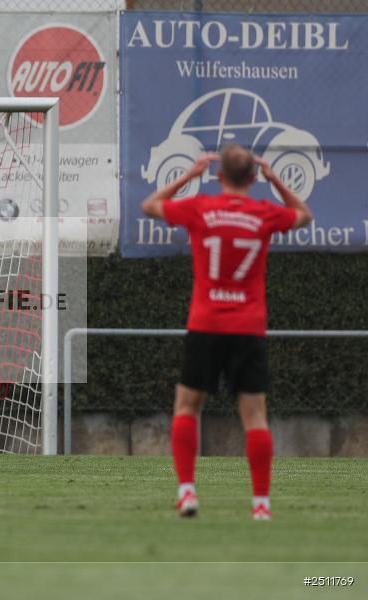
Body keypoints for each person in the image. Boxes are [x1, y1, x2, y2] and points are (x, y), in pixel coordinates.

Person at [141, 144, 312, 521]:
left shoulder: (200, 207)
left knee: (187, 407)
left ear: (218, 177)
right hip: (248, 328)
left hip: (205, 325)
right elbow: (304, 215)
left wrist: (188, 174)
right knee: (254, 417)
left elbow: (149, 205)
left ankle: (187, 493)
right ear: (253, 178)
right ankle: (261, 504)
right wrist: (276, 179)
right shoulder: (265, 213)